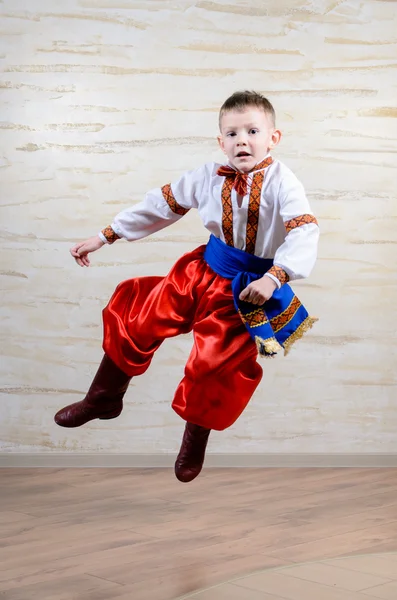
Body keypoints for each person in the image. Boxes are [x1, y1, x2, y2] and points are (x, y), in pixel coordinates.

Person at [54, 90, 319, 483]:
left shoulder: (285, 183)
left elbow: (305, 229)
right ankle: (104, 398)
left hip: (244, 290)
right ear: (220, 141)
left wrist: (274, 277)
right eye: (231, 134)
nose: (241, 140)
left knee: (215, 365)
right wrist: (105, 236)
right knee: (138, 315)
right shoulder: (206, 175)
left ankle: (194, 441)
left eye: (252, 131)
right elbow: (159, 205)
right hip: (199, 272)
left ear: (273, 138)